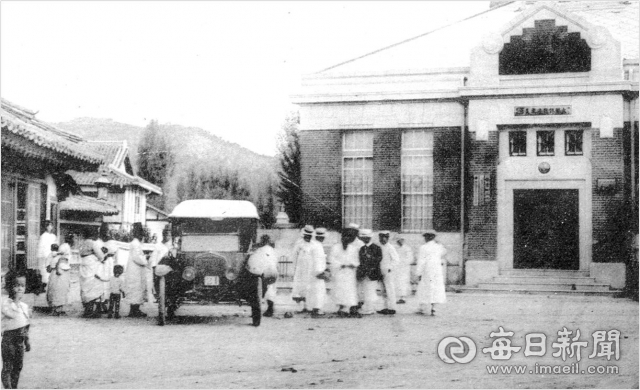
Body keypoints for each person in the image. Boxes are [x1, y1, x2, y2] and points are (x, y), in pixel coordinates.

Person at [2, 271, 31, 389]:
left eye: (22, 286)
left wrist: (27, 340)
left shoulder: (24, 306)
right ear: (9, 286)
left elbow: (25, 324)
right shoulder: (6, 304)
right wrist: (16, 300)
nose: (20, 288)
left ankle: (14, 387)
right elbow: (11, 315)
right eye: (16, 285)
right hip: (9, 340)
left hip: (20, 340)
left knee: (18, 366)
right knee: (8, 366)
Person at [329, 226, 360, 317]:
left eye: (348, 237)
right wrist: (340, 264)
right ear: (342, 237)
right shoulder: (335, 247)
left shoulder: (353, 248)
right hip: (340, 272)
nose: (346, 238)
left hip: (350, 272)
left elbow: (357, 260)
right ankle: (342, 307)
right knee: (340, 290)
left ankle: (351, 307)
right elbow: (331, 259)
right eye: (344, 236)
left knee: (350, 290)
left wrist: (352, 264)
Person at [415, 230, 447, 316]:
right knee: (435, 288)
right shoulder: (439, 247)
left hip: (427, 270)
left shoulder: (423, 247)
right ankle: (434, 308)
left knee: (424, 288)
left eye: (425, 237)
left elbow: (421, 261)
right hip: (437, 270)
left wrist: (418, 272)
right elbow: (444, 252)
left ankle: (422, 308)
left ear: (427, 237)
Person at [248, 235, 279, 317]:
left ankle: (264, 309)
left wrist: (255, 270)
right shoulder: (272, 250)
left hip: (265, 272)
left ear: (262, 241)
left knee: (262, 290)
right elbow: (276, 261)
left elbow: (254, 261)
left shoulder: (260, 250)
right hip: (273, 271)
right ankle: (270, 308)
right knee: (271, 289)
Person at [79, 228, 107, 318]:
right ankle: (93, 309)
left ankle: (87, 309)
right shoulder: (93, 243)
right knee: (94, 286)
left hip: (84, 265)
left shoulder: (83, 243)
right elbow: (100, 256)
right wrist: (104, 255)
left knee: (85, 286)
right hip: (91, 265)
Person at [357, 229, 383, 315]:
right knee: (365, 291)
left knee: (371, 291)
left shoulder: (376, 248)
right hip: (364, 273)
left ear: (370, 237)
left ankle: (370, 308)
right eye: (364, 238)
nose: (365, 239)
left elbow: (378, 259)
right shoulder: (362, 248)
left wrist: (370, 258)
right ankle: (367, 307)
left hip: (372, 273)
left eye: (367, 237)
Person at [125, 223, 149, 318]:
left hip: (136, 269)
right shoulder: (135, 243)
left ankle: (135, 309)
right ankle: (134, 310)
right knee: (135, 289)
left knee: (137, 289)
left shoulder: (136, 243)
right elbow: (137, 257)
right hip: (135, 270)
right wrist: (145, 260)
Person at [291, 225, 315, 312]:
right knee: (300, 287)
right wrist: (295, 267)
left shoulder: (313, 244)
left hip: (310, 268)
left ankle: (307, 306)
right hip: (300, 268)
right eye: (306, 235)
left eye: (310, 235)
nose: (308, 237)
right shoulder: (299, 243)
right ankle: (300, 306)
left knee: (308, 286)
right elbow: (294, 255)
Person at [46, 238, 72, 316]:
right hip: (57, 273)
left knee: (59, 290)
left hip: (59, 273)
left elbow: (48, 268)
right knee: (57, 290)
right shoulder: (53, 256)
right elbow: (48, 268)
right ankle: (56, 309)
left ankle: (58, 309)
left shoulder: (62, 256)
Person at [307, 227, 328, 317]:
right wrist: (320, 272)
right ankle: (316, 309)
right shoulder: (317, 246)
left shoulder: (313, 244)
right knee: (318, 291)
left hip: (313, 272)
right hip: (316, 272)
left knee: (315, 291)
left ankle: (314, 308)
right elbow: (317, 260)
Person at [377, 231, 399, 315]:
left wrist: (390, 268)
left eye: (384, 237)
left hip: (388, 272)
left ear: (387, 238)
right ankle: (385, 307)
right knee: (383, 290)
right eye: (381, 237)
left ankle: (392, 308)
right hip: (380, 271)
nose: (383, 239)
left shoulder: (390, 247)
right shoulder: (379, 247)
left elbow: (396, 260)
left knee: (390, 289)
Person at [37, 221, 57, 286]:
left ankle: (51, 283)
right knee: (45, 270)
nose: (49, 227)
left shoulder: (53, 236)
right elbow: (41, 247)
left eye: (51, 225)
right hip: (45, 255)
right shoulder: (43, 236)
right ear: (46, 227)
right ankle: (44, 284)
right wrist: (42, 255)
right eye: (48, 226)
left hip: (52, 255)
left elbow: (55, 245)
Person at [395, 237, 414, 304]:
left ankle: (403, 297)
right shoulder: (397, 248)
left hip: (404, 268)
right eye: (398, 241)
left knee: (404, 282)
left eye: (400, 240)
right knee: (399, 282)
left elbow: (410, 259)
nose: (399, 242)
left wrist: (403, 262)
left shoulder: (407, 248)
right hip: (398, 268)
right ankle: (400, 297)